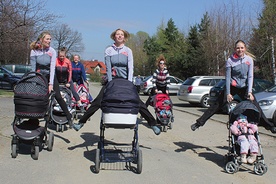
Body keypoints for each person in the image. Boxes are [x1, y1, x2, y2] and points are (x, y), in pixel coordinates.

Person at [72, 28, 160, 135]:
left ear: (124, 37)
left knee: (137, 101)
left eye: (121, 34)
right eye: (117, 34)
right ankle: (81, 122)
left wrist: (129, 83)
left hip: (125, 81)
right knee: (98, 101)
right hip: (112, 80)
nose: (119, 36)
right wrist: (109, 82)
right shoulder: (109, 50)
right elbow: (108, 68)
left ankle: (153, 124)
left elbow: (130, 68)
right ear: (114, 36)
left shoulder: (128, 51)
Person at [191, 40, 276, 133]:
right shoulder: (230, 61)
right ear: (235, 49)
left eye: (242, 48)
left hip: (244, 88)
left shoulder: (249, 60)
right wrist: (228, 93)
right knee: (216, 105)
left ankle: (270, 127)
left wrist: (249, 92)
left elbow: (250, 76)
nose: (240, 50)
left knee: (256, 107)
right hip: (232, 87)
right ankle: (199, 123)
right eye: (238, 48)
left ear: (245, 48)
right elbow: (227, 78)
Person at [30, 31, 72, 125]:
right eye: (47, 39)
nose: (49, 41)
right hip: (39, 76)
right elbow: (33, 69)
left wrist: (51, 84)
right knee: (37, 97)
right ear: (41, 40)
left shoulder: (52, 51)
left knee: (58, 96)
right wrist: (33, 82)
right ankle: (33, 118)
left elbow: (52, 68)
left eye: (50, 39)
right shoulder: (34, 51)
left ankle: (69, 118)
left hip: (50, 76)